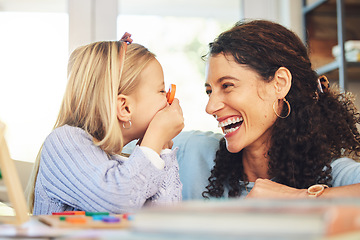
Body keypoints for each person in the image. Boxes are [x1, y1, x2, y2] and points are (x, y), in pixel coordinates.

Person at [173, 19, 360, 200]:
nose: (210, 107)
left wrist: (297, 197)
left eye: (227, 85)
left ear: (279, 84)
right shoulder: (190, 152)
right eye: (209, 91)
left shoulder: (330, 176)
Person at [27, 33, 184, 215]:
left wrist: (162, 149)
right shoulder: (64, 142)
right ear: (125, 108)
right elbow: (116, 202)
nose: (169, 101)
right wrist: (156, 135)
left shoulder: (131, 167)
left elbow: (164, 221)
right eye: (162, 91)